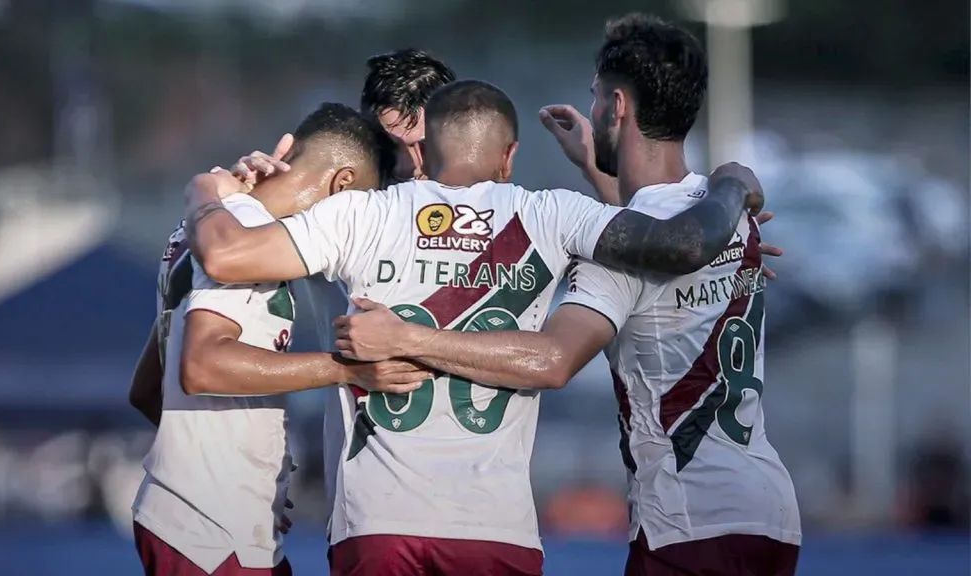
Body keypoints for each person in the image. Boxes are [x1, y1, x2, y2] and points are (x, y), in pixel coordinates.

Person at [181, 78, 764, 576]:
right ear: (508, 156)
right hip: (495, 528)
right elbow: (672, 243)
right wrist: (732, 205)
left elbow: (228, 256)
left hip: (377, 524)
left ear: (425, 151)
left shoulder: (360, 214)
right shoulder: (552, 212)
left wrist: (208, 191)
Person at [333, 14, 802, 576]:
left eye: (596, 98)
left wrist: (404, 338)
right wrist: (611, 168)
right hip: (768, 509)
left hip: (689, 518)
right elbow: (654, 228)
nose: (594, 112)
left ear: (618, 108)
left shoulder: (633, 250)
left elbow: (553, 359)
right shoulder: (730, 220)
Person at [128, 103, 431, 576]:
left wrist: (241, 473)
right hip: (213, 532)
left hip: (197, 519)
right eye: (360, 211)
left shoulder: (204, 227)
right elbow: (203, 365)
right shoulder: (248, 233)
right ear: (343, 186)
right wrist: (348, 369)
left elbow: (149, 389)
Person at [359, 48, 457, 182]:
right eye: (388, 147)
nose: (405, 167)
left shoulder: (487, 195)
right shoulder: (353, 196)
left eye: (424, 147)